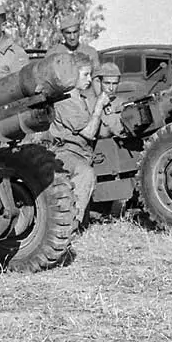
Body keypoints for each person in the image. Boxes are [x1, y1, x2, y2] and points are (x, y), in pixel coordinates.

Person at [49, 52, 111, 227]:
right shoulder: (65, 101)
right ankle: (70, 226)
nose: (90, 79)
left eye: (90, 74)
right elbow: (89, 132)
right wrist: (99, 106)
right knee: (86, 174)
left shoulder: (79, 98)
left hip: (81, 152)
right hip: (64, 153)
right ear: (72, 74)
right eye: (85, 74)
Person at [93, 61, 126, 138]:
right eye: (107, 83)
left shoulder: (123, 104)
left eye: (115, 84)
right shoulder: (90, 104)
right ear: (99, 82)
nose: (111, 88)